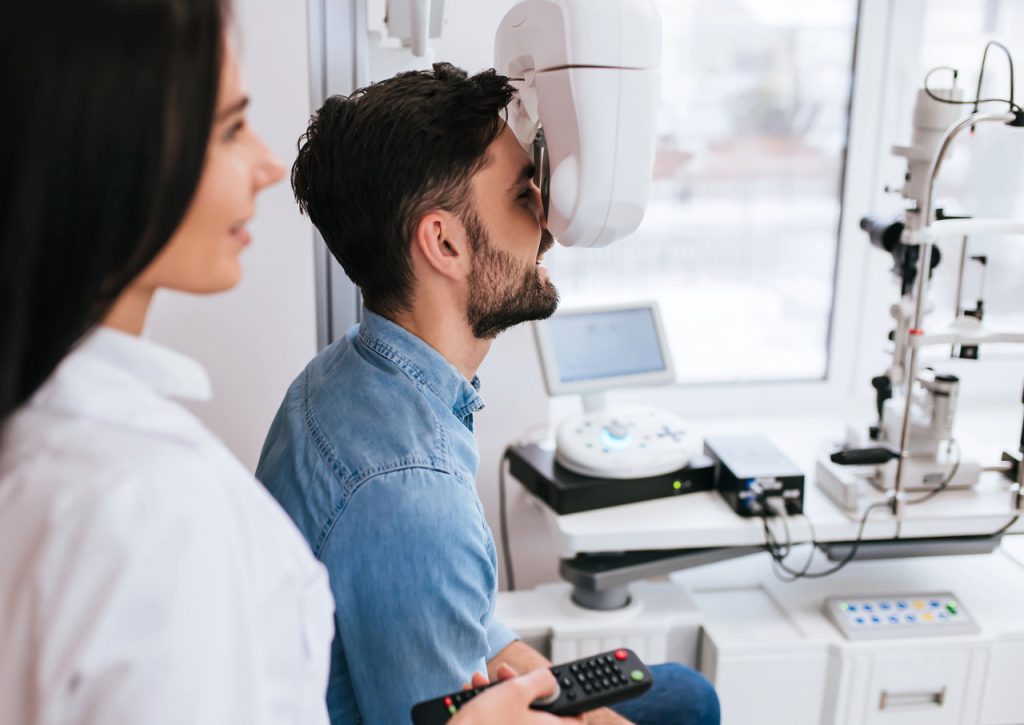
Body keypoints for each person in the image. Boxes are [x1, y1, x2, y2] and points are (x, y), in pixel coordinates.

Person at [0, 4, 567, 723]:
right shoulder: (155, 512)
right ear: (443, 245)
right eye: (231, 127)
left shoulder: (338, 376)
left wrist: (504, 649)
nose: (266, 166)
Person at [257, 63, 722, 725]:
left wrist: (579, 707)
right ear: (443, 241)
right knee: (688, 703)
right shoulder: (412, 493)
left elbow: (472, 624)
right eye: (522, 195)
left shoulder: (348, 373)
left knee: (682, 690)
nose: (549, 225)